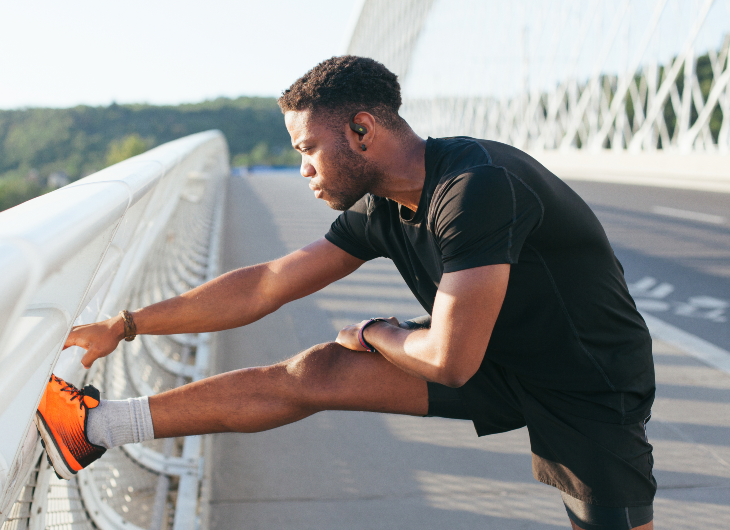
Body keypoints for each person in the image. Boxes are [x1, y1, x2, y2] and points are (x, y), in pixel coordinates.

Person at [35, 56, 656, 530]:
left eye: (308, 149)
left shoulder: (476, 189)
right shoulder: (382, 205)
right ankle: (94, 428)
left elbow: (449, 360)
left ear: (362, 130)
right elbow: (266, 284)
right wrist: (126, 324)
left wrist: (376, 332)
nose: (303, 168)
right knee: (319, 371)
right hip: (491, 353)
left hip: (585, 381)